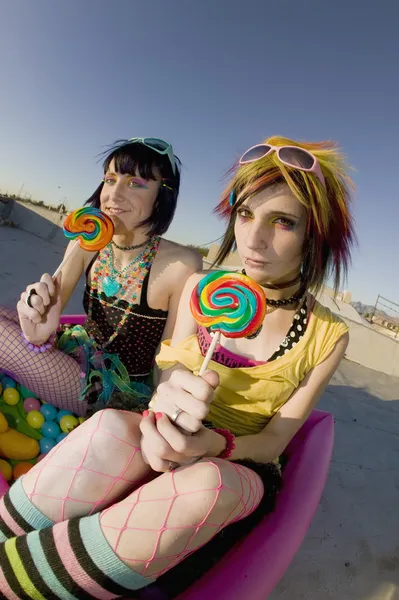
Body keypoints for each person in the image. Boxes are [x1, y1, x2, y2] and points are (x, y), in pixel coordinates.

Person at [0, 136, 355, 599]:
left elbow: (273, 443)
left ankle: (13, 583)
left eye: (282, 221)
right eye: (245, 215)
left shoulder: (328, 335)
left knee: (203, 484)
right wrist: (160, 417)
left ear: (316, 233)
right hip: (165, 430)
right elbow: (166, 380)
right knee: (109, 429)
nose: (253, 238)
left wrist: (213, 443)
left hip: (237, 460)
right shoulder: (202, 290)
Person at [0, 138, 202, 415]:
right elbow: (47, 318)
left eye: (135, 183)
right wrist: (37, 322)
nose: (113, 196)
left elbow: (168, 360)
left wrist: (157, 418)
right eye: (110, 179)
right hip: (75, 354)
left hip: (116, 393)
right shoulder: (86, 243)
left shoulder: (182, 264)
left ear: (162, 196)